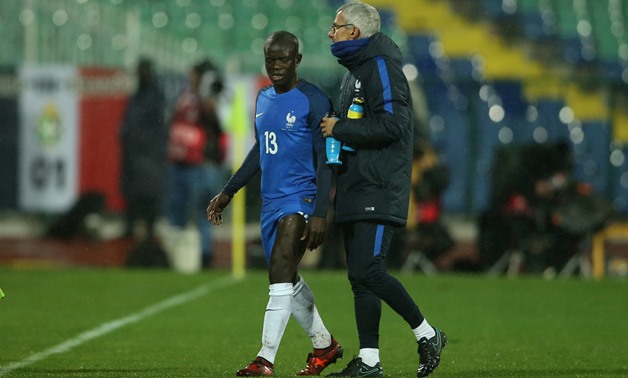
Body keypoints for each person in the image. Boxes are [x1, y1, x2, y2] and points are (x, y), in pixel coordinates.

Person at [320, 2, 447, 377]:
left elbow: (394, 125)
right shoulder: (355, 72)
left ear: (354, 33)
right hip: (356, 184)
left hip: (379, 185)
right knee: (359, 277)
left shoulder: (381, 67)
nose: (331, 33)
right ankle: (370, 360)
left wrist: (339, 128)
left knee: (371, 270)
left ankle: (428, 333)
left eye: (336, 26)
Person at [206, 31, 343, 376]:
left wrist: (320, 213)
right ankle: (325, 345)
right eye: (271, 59)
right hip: (271, 202)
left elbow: (327, 157)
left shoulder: (314, 100)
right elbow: (259, 151)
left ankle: (264, 359)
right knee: (287, 278)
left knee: (279, 277)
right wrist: (228, 191)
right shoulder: (263, 98)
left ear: (297, 60)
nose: (276, 66)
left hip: (300, 199)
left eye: (283, 59)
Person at [165, 58, 227, 268]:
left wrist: (206, 89)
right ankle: (177, 256)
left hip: (199, 164)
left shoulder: (208, 95)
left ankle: (205, 255)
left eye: (193, 73)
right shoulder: (184, 95)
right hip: (179, 162)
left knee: (202, 211)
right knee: (177, 211)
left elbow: (214, 116)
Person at [119, 57, 167, 240]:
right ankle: (132, 231)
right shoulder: (138, 95)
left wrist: (140, 141)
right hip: (135, 156)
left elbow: (157, 128)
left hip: (148, 156)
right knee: (134, 197)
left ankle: (148, 234)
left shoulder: (154, 97)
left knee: (148, 197)